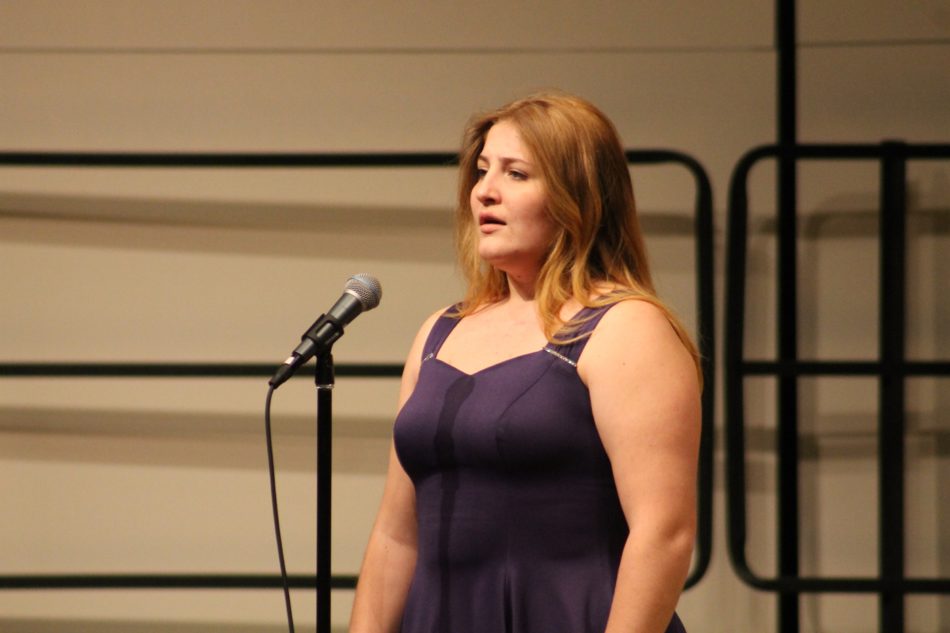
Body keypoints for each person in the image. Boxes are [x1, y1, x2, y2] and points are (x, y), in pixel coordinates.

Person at [349, 91, 701, 633]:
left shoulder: (625, 328)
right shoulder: (440, 332)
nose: (484, 191)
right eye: (482, 171)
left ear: (577, 197)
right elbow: (397, 534)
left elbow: (664, 532)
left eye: (516, 174)